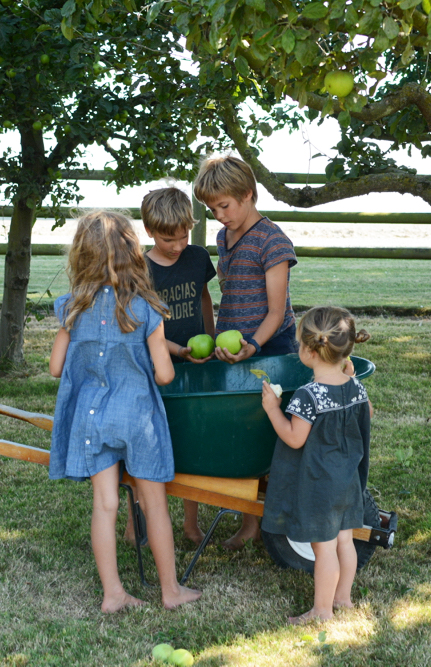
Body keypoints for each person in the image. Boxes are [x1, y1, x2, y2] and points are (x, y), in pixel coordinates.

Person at [49, 210, 201, 613]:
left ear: (81, 255)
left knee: (105, 505)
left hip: (91, 418)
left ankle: (113, 594)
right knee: (155, 505)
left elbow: (55, 368)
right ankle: (171, 591)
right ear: (133, 252)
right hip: (138, 419)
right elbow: (166, 375)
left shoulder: (71, 307)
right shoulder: (148, 309)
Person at [193, 154, 299, 549]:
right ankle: (248, 517)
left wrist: (253, 345)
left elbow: (276, 311)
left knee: (267, 435)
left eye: (225, 206)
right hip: (233, 346)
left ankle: (261, 522)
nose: (219, 216)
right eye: (211, 209)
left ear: (249, 194)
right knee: (241, 431)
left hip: (271, 346)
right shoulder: (224, 238)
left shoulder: (272, 240)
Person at [259, 306, 373, 624]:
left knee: (323, 549)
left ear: (309, 351)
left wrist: (272, 409)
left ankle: (321, 611)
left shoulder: (308, 395)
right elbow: (368, 414)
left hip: (319, 482)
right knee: (345, 542)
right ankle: (343, 598)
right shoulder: (356, 386)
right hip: (348, 479)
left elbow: (295, 439)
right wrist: (348, 377)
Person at [126, 186, 216, 545]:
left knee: (190, 443)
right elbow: (139, 326)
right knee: (145, 445)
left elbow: (204, 298)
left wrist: (211, 338)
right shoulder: (140, 269)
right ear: (149, 231)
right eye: (168, 239)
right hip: (155, 367)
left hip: (197, 364)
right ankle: (137, 523)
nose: (178, 246)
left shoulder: (197, 257)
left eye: (184, 236)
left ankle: (190, 524)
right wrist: (178, 351)